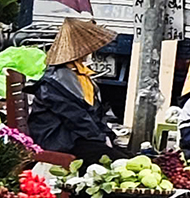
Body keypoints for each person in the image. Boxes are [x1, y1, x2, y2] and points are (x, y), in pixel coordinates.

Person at [28, 17, 123, 166]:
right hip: (58, 138)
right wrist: (100, 139)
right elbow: (77, 117)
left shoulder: (78, 75)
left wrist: (107, 135)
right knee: (115, 159)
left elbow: (93, 114)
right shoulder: (55, 82)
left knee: (125, 155)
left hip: (75, 135)